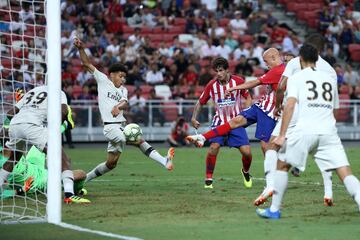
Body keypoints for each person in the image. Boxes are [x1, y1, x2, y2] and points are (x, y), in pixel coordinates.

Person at [256, 44, 360, 219]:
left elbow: (289, 106)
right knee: (344, 171)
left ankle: (274, 210)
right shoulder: (329, 79)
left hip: (305, 130)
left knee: (282, 165)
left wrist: (282, 135)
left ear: (301, 59)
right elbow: (334, 109)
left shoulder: (297, 78)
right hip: (328, 132)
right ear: (317, 59)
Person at [73, 38, 174, 184]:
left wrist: (117, 107)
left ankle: (83, 180)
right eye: (121, 76)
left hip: (120, 125)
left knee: (111, 164)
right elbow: (87, 64)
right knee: (138, 140)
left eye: (124, 77)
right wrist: (81, 49)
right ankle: (164, 161)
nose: (123, 79)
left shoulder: (123, 90)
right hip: (110, 127)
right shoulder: (103, 80)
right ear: (112, 74)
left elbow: (125, 102)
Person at [254, 34, 336, 207]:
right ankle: (328, 191)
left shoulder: (295, 62)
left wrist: (277, 105)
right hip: (318, 112)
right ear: (321, 49)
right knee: (323, 151)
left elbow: (282, 86)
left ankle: (269, 186)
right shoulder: (330, 69)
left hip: (295, 108)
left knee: (272, 145)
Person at [0, 85, 89, 204]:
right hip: (32, 127)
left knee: (13, 158)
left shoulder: (31, 92)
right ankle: (69, 194)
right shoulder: (58, 91)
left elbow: (10, 113)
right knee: (62, 157)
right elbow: (64, 110)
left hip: (15, 126)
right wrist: (61, 122)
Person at [187, 48, 284, 156]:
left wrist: (234, 88)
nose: (265, 64)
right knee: (234, 123)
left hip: (268, 111)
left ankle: (274, 169)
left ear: (274, 58)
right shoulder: (212, 85)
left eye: (266, 61)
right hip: (259, 106)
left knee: (262, 147)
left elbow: (255, 83)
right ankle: (202, 137)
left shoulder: (277, 71)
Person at [190, 57, 253, 189]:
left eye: (221, 70)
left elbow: (248, 97)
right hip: (219, 122)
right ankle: (208, 178)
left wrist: (246, 112)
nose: (218, 74)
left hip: (235, 122)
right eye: (216, 71)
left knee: (247, 153)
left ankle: (245, 172)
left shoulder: (238, 81)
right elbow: (200, 102)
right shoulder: (211, 85)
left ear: (227, 70)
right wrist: (194, 118)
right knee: (214, 147)